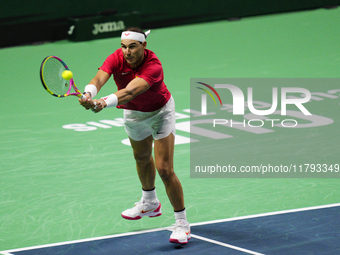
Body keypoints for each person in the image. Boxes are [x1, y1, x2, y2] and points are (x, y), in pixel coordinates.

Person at [79, 27, 190, 244]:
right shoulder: (116, 58)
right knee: (141, 157)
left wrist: (103, 102)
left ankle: (182, 224)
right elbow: (100, 78)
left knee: (165, 169)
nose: (126, 51)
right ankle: (149, 202)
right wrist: (89, 93)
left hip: (160, 112)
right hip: (133, 113)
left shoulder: (153, 66)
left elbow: (130, 91)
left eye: (132, 46)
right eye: (123, 46)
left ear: (143, 46)